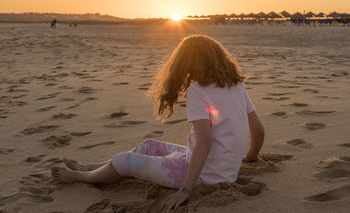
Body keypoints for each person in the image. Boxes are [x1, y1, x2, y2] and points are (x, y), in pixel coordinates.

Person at [51, 35, 265, 211]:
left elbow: (205, 142)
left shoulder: (198, 91)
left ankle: (81, 176)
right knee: (148, 145)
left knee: (124, 160)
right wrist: (250, 158)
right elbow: (258, 130)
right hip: (223, 169)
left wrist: (186, 189)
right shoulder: (236, 86)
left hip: (203, 176)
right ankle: (91, 167)